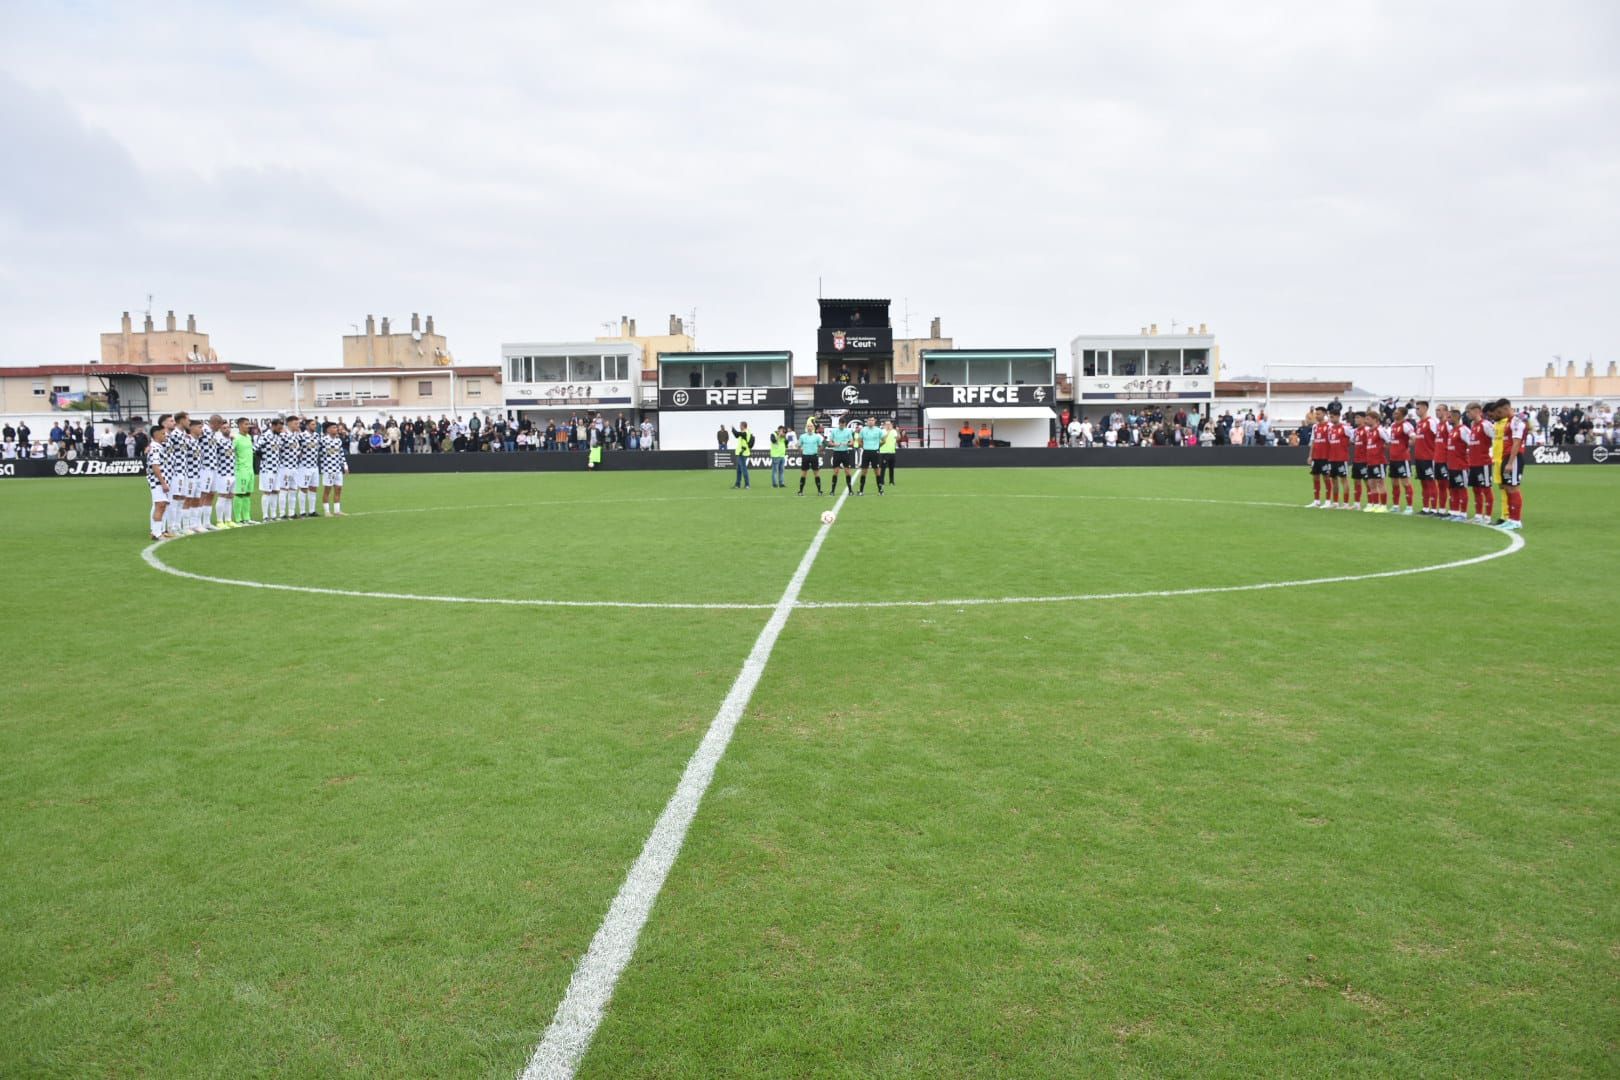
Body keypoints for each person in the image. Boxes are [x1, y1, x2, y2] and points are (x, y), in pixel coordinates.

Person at [1493, 399, 1526, 530]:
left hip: (1514, 458)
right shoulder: (1508, 422)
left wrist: (1511, 462)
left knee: (1513, 488)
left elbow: (1517, 442)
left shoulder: (1516, 421)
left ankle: (1516, 520)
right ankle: (1511, 519)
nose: (1500, 414)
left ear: (1506, 408)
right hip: (1506, 457)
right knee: (1507, 487)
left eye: (1500, 411)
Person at [1355, 411, 1389, 512]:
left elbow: (1388, 441)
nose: (1366, 421)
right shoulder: (1369, 431)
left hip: (1379, 461)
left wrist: (1380, 450)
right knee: (1371, 483)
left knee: (1380, 483)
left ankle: (1383, 506)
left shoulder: (1380, 430)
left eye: (1368, 419)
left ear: (1375, 419)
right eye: (1366, 419)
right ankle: (1375, 504)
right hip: (1370, 461)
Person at [145, 423, 172, 540]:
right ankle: (157, 533)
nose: (165, 435)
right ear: (156, 435)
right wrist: (163, 482)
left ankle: (157, 531)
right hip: (157, 481)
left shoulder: (159, 447)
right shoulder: (155, 448)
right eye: (163, 433)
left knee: (162, 505)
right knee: (160, 505)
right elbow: (155, 466)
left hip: (161, 480)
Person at [1387, 406, 1416, 514]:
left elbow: (1413, 437)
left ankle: (1409, 507)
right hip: (1393, 459)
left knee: (1406, 483)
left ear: (1402, 414)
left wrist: (1409, 445)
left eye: (1396, 412)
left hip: (1402, 459)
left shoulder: (1406, 425)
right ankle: (1396, 506)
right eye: (1394, 412)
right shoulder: (1393, 425)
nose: (1394, 414)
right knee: (1394, 483)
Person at [256, 417, 285, 522]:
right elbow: (255, 448)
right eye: (279, 427)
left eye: (281, 428)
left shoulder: (278, 437)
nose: (280, 429)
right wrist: (262, 456)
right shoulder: (266, 435)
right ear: (273, 426)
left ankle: (273, 515)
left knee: (276, 491)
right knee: (267, 491)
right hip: (267, 468)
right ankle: (265, 516)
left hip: (276, 468)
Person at [231, 418, 258, 524]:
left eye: (248, 424)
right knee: (239, 494)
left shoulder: (248, 437)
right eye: (246, 424)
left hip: (250, 470)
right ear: (240, 425)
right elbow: (230, 453)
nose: (248, 426)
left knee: (247, 494)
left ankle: (247, 518)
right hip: (240, 470)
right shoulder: (236, 438)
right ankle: (238, 519)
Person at [319, 421, 349, 514]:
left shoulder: (338, 440)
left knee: (338, 489)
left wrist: (345, 465)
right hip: (328, 469)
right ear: (328, 430)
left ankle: (337, 511)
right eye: (334, 427)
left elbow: (341, 454)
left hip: (337, 469)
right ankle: (327, 511)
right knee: (327, 490)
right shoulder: (323, 440)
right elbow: (318, 453)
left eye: (336, 427)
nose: (336, 429)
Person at [823, 417, 855, 495]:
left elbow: (852, 442)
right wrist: (834, 444)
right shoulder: (834, 431)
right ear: (839, 424)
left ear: (845, 424)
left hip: (845, 452)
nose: (842, 426)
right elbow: (829, 443)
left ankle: (850, 490)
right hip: (836, 453)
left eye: (843, 424)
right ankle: (832, 491)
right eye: (841, 424)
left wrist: (847, 444)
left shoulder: (848, 431)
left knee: (847, 472)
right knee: (836, 472)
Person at [1307, 407, 1331, 507]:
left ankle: (1328, 501)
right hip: (1316, 456)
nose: (1317, 416)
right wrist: (1310, 456)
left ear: (1324, 414)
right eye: (1316, 414)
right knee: (1315, 478)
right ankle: (1316, 501)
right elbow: (1313, 441)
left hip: (1326, 456)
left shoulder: (1329, 426)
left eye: (1319, 414)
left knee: (1326, 478)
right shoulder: (1315, 427)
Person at [856, 418, 884, 495]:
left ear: (875, 421)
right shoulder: (863, 430)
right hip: (866, 452)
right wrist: (863, 446)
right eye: (869, 420)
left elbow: (883, 440)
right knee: (864, 471)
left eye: (872, 420)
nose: (870, 422)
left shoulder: (878, 430)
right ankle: (861, 491)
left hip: (875, 452)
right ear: (867, 422)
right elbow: (859, 440)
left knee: (877, 471)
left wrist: (878, 446)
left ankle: (880, 490)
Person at [797, 420, 825, 496]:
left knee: (816, 473)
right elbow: (798, 446)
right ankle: (801, 491)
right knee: (803, 474)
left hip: (814, 456)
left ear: (813, 428)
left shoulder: (817, 436)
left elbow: (821, 446)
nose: (809, 427)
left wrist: (818, 450)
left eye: (811, 426)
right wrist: (801, 452)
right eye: (808, 426)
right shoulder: (802, 436)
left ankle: (819, 491)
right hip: (805, 456)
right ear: (806, 427)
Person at [730, 422, 754, 489]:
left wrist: (733, 428)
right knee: (739, 470)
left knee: (743, 469)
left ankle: (747, 484)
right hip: (741, 453)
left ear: (743, 426)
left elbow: (737, 434)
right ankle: (737, 484)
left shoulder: (745, 432)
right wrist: (733, 430)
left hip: (743, 453)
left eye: (740, 425)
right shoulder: (745, 432)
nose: (739, 427)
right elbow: (736, 435)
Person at [878, 419, 899, 488]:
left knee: (891, 468)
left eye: (889, 424)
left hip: (892, 452)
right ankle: (881, 482)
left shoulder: (894, 431)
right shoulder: (882, 431)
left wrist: (897, 431)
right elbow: (882, 440)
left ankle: (891, 481)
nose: (888, 425)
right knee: (883, 468)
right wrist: (888, 432)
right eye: (886, 424)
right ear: (884, 425)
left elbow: (898, 438)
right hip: (884, 452)